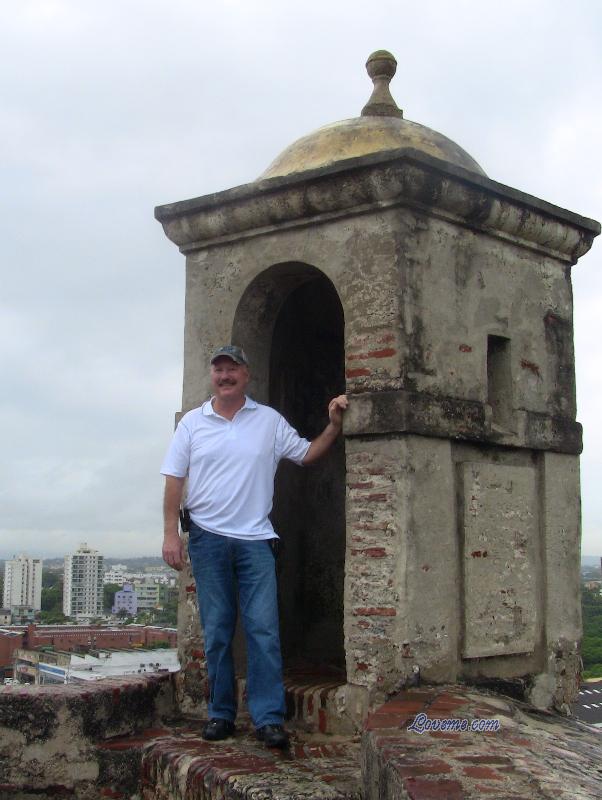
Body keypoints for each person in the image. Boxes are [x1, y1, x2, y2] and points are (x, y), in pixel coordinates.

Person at [161, 344, 347, 749]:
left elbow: (306, 455)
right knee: (218, 632)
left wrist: (332, 426)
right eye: (218, 370)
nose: (224, 376)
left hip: (256, 540)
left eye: (232, 369)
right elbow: (174, 480)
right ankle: (221, 714)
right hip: (207, 538)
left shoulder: (268, 421)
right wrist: (170, 534)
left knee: (264, 631)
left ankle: (267, 718)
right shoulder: (193, 423)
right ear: (213, 375)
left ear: (246, 375)